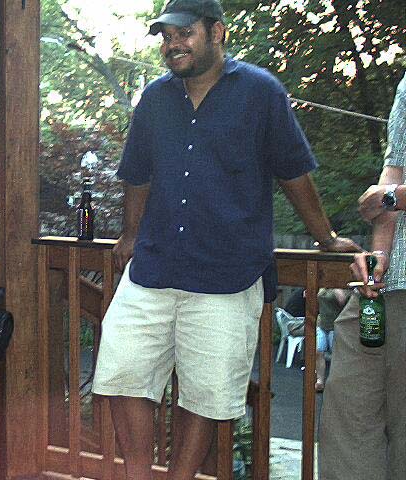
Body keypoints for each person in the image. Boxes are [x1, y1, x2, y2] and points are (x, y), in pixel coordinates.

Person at [90, 1, 360, 478]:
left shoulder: (261, 92)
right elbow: (138, 173)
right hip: (153, 266)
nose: (173, 44)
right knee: (121, 373)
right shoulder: (154, 98)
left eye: (184, 33)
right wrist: (130, 234)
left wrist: (326, 238)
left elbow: (293, 172)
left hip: (228, 273)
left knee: (207, 395)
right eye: (166, 36)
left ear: (217, 33)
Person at [319, 72, 406, 480]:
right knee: (348, 418)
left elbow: (390, 193)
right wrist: (380, 255)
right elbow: (394, 170)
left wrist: (390, 197)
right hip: (387, 286)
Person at [315, 288, 349, 392]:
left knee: (336, 355)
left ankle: (335, 382)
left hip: (335, 325)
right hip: (321, 324)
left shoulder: (341, 288)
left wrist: (337, 290)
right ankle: (320, 380)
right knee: (318, 352)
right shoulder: (321, 287)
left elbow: (343, 300)